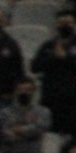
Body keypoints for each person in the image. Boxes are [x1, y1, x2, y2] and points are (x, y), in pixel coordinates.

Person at [29, 9, 76, 138]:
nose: (65, 26)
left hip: (72, 102)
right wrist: (53, 57)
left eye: (69, 22)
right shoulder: (47, 45)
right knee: (49, 137)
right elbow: (34, 67)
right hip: (50, 100)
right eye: (61, 23)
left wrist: (65, 58)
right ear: (56, 25)